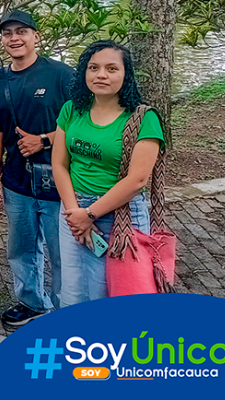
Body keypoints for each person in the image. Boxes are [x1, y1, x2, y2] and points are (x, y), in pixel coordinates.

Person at [52, 40, 163, 305]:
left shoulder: (143, 119)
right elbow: (59, 164)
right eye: (94, 68)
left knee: (114, 292)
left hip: (120, 213)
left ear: (126, 75)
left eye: (112, 68)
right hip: (72, 209)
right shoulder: (72, 110)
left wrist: (90, 214)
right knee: (73, 289)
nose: (101, 75)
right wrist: (75, 214)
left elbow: (137, 180)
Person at [0, 10, 74, 327]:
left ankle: (68, 307)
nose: (14, 38)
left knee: (63, 250)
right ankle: (32, 302)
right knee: (21, 248)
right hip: (16, 180)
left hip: (58, 179)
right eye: (7, 33)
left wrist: (45, 140)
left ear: (36, 37)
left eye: (21, 31)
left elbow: (84, 122)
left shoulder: (61, 75)